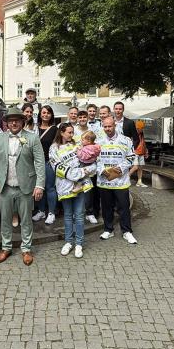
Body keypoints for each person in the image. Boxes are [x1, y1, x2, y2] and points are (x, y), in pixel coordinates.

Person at [0, 107, 46, 265]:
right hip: (5, 186)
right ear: (6, 123)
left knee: (26, 219)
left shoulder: (32, 138)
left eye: (17, 120)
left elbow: (40, 163)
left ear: (23, 121)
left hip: (26, 185)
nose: (14, 122)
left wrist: (40, 185)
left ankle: (26, 248)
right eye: (10, 120)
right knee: (5, 219)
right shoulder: (0, 138)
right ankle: (6, 247)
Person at [49, 123, 95, 259]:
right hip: (65, 187)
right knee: (68, 215)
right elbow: (56, 167)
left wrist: (83, 172)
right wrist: (76, 174)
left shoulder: (77, 145)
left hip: (80, 185)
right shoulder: (53, 148)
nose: (71, 135)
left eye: (72, 132)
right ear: (61, 133)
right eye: (69, 132)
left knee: (80, 215)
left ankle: (79, 243)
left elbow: (89, 161)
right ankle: (69, 242)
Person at [97, 117, 138, 245]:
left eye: (110, 126)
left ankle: (126, 231)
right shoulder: (98, 141)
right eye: (105, 127)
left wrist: (119, 169)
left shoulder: (126, 140)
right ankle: (108, 229)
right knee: (106, 207)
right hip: (104, 180)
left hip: (121, 181)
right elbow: (94, 159)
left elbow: (131, 157)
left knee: (124, 207)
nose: (108, 129)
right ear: (102, 126)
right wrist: (102, 170)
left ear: (115, 125)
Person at [32, 105, 59, 224]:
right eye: (43, 112)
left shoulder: (54, 129)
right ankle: (41, 210)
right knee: (39, 187)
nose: (46, 114)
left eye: (48, 113)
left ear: (51, 115)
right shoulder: (35, 128)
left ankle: (51, 212)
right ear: (40, 114)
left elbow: (57, 146)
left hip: (48, 162)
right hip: (36, 163)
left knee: (50, 187)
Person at [133, 120, 148, 187]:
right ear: (138, 128)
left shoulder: (142, 134)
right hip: (135, 152)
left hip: (141, 153)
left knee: (140, 168)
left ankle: (139, 181)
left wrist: (146, 151)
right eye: (142, 128)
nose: (143, 129)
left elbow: (143, 143)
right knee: (135, 167)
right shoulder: (133, 134)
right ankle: (126, 178)